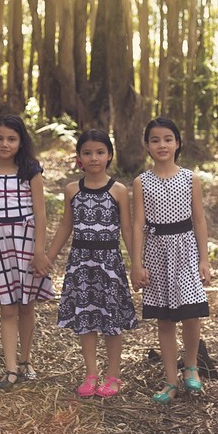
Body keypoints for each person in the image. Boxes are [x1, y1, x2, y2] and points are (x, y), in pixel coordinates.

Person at [45, 129, 138, 398]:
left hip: (109, 263)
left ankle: (113, 375)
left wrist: (136, 264)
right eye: (87, 153)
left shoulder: (118, 190)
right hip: (81, 263)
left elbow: (127, 229)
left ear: (109, 155)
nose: (94, 158)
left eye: (99, 152)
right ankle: (91, 373)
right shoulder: (72, 189)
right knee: (85, 318)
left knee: (111, 319)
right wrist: (49, 257)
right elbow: (66, 226)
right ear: (79, 158)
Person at [131, 117, 212, 404]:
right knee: (164, 319)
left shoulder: (190, 178)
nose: (162, 145)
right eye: (155, 140)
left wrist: (204, 259)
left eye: (168, 139)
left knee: (191, 311)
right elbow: (138, 224)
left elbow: (199, 220)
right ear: (147, 146)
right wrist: (136, 264)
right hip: (156, 253)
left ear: (178, 143)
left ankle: (191, 366)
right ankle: (170, 380)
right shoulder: (141, 182)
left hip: (186, 250)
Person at [0, 115, 53, 390]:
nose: (5, 144)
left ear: (21, 142)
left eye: (11, 139)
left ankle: (25, 360)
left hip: (27, 244)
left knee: (26, 305)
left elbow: (41, 214)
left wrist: (39, 251)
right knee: (7, 308)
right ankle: (9, 370)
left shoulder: (30, 171)